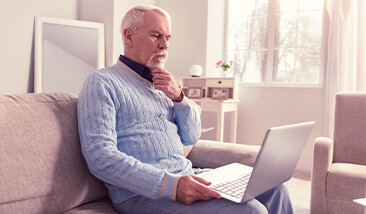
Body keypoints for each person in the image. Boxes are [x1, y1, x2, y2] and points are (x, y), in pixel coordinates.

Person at [77, 5, 294, 214]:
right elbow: (100, 157)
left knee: (276, 190)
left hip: (187, 174)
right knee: (252, 211)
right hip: (139, 194)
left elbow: (191, 136)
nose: (165, 45)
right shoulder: (102, 82)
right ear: (129, 36)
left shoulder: (162, 83)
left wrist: (179, 97)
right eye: (156, 36)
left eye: (167, 38)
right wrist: (171, 185)